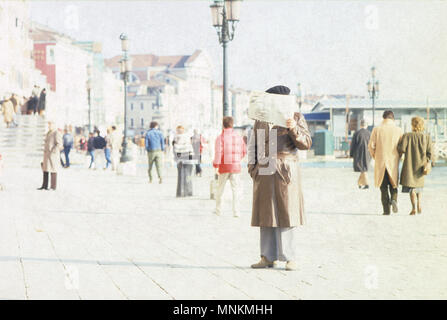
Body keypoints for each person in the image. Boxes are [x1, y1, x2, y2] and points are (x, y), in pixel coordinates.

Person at [248, 85, 312, 271]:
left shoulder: (296, 116)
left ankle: (289, 257)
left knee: (287, 212)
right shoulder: (260, 119)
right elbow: (254, 144)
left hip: (286, 168)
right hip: (264, 168)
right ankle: (267, 256)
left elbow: (306, 143)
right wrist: (252, 168)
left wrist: (293, 129)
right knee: (266, 213)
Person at [368, 110, 404, 215]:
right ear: (393, 118)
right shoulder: (398, 130)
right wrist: (399, 156)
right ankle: (394, 199)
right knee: (394, 184)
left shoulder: (377, 129)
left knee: (383, 187)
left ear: (383, 118)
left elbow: (371, 146)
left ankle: (386, 210)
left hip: (381, 162)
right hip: (393, 161)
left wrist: (376, 156)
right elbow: (402, 147)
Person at [397, 117, 433, 215]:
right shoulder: (426, 137)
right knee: (418, 187)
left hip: (409, 165)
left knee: (411, 188)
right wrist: (428, 162)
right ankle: (419, 203)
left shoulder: (407, 136)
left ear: (412, 125)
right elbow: (430, 153)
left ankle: (413, 208)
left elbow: (401, 149)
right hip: (421, 166)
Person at [213, 117, 247, 217]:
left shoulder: (220, 138)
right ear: (232, 125)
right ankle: (236, 211)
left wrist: (216, 165)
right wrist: (237, 159)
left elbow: (218, 153)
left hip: (224, 167)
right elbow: (244, 151)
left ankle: (218, 210)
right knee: (235, 189)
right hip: (235, 167)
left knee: (220, 189)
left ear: (223, 125)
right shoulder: (238, 137)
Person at [38, 121, 62, 190]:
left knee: (53, 170)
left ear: (54, 125)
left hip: (53, 155)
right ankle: (44, 185)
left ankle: (53, 186)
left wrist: (53, 151)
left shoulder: (56, 133)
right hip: (47, 155)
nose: (49, 126)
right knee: (45, 169)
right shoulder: (48, 133)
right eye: (48, 125)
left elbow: (59, 144)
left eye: (50, 125)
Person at [173, 125, 195, 197]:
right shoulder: (186, 138)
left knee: (181, 176)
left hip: (182, 159)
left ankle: (181, 192)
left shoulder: (176, 139)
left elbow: (176, 150)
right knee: (187, 175)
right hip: (187, 159)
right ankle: (188, 192)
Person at [349, 119, 371, 189]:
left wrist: (351, 154)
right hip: (367, 154)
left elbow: (353, 145)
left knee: (362, 169)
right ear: (366, 125)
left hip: (358, 153)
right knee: (364, 169)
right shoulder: (369, 133)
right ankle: (362, 183)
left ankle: (364, 183)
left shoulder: (357, 133)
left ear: (360, 125)